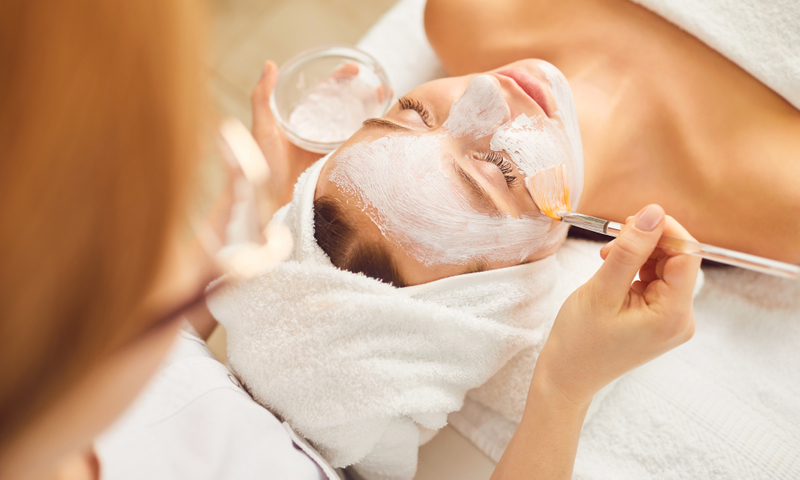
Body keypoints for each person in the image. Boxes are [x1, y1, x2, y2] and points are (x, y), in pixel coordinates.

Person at [0, 1, 700, 480]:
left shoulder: (64, 381)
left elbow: (155, 341)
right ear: (516, 287)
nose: (485, 99)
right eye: (503, 173)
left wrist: (269, 207)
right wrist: (564, 386)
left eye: (409, 111)